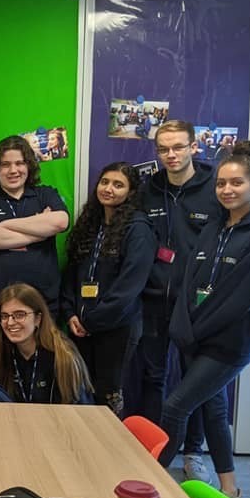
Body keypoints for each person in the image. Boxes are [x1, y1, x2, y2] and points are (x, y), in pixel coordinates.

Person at [161, 142, 250, 498]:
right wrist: (182, 327)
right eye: (221, 184)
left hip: (228, 345)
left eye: (237, 183)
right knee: (213, 408)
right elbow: (189, 283)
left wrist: (193, 330)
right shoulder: (212, 228)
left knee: (176, 406)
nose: (227, 190)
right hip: (194, 339)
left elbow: (240, 298)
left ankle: (151, 479)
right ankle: (230, 488)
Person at [138, 120, 224, 483]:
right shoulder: (149, 190)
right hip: (154, 298)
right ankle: (157, 448)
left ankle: (193, 451)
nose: (171, 155)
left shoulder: (213, 188)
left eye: (178, 147)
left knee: (194, 381)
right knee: (152, 376)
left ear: (194, 147)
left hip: (197, 304)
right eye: (163, 149)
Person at [61, 162, 155, 413]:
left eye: (118, 185)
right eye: (105, 182)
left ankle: (109, 450)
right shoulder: (89, 224)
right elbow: (71, 273)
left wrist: (92, 321)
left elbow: (129, 286)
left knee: (108, 395)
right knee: (79, 391)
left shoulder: (138, 229)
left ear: (131, 192)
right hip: (79, 327)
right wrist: (70, 312)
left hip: (117, 329)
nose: (109, 189)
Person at [0, 135, 69, 316]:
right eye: (5, 164)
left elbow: (61, 221)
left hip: (43, 303)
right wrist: (40, 231)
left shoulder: (45, 194)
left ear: (28, 166)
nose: (13, 170)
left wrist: (4, 226)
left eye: (20, 163)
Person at [0, 283, 92, 405]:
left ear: (38, 319)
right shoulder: (3, 352)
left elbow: (80, 411)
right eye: (4, 316)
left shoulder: (64, 357)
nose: (10, 322)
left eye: (19, 315)